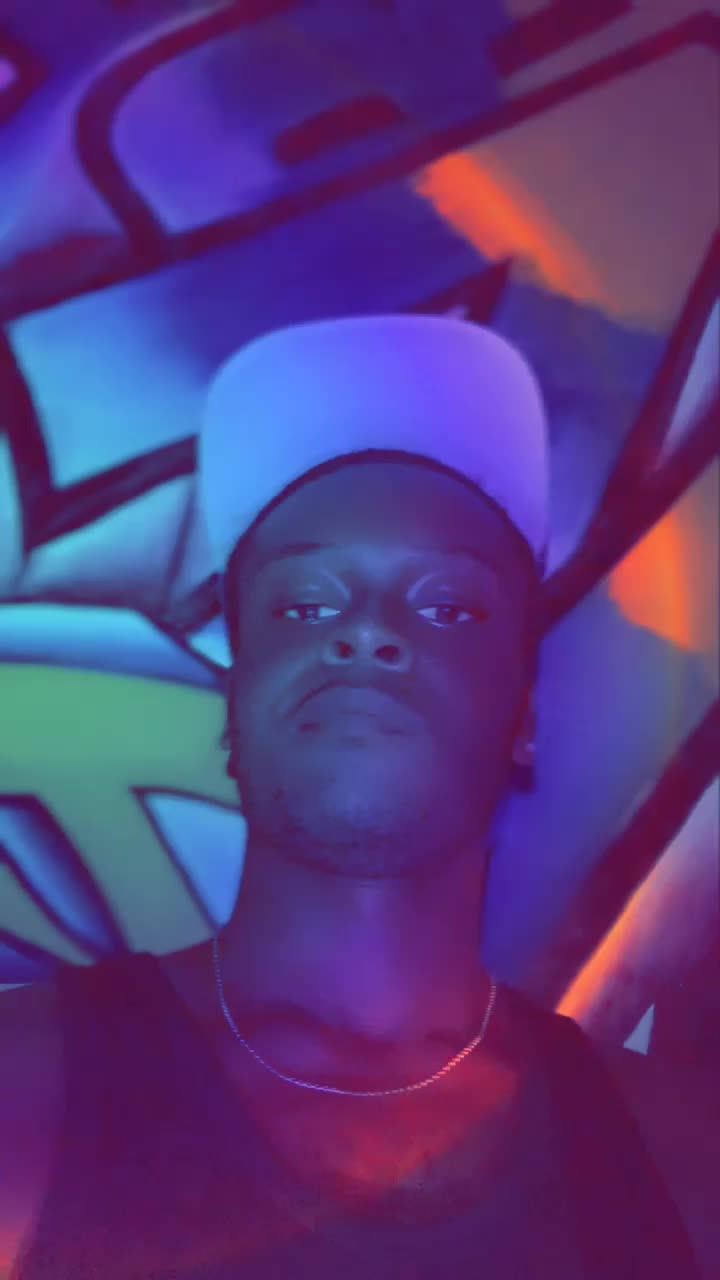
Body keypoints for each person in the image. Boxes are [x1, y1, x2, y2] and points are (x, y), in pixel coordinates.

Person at [3, 317, 705, 1279]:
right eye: (305, 604)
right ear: (235, 701)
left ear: (524, 714)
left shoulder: (683, 1159)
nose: (367, 632)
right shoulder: (21, 1090)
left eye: (446, 606)